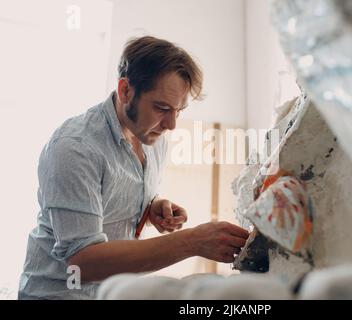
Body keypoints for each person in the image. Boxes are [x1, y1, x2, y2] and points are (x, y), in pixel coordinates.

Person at [18, 36, 249, 300]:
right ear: (125, 90)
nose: (172, 124)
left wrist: (152, 207)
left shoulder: (152, 136)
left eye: (179, 110)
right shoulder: (74, 148)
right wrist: (192, 241)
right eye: (162, 108)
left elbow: (116, 196)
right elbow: (83, 264)